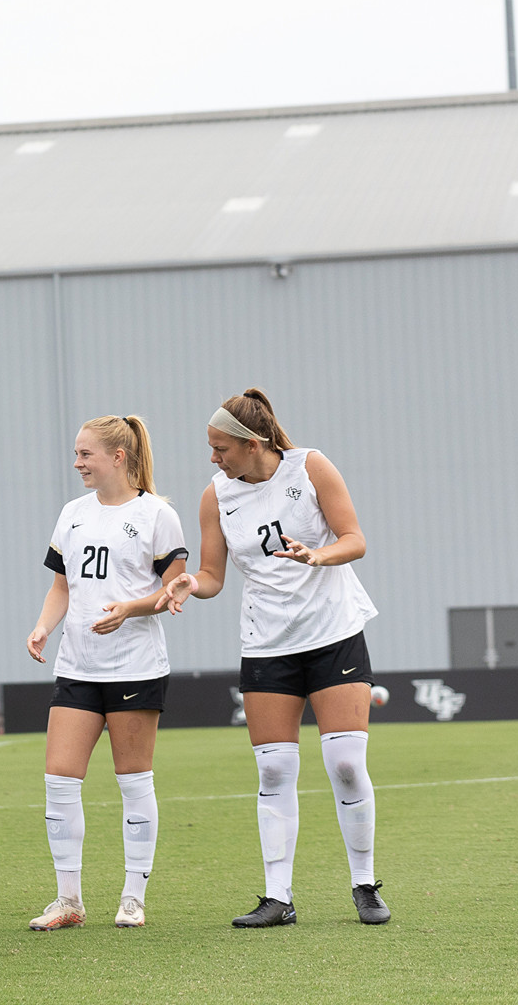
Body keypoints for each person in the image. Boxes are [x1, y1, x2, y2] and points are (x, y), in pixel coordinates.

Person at [159, 388, 389, 927]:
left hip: (334, 634)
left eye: (221, 448)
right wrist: (191, 583)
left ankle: (364, 885)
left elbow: (354, 539)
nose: (213, 458)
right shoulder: (215, 496)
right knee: (276, 767)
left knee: (347, 765)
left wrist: (318, 554)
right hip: (267, 644)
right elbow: (214, 575)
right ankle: (277, 897)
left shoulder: (310, 466)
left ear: (252, 443)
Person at [23, 418, 188, 932]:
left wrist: (131, 609)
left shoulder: (158, 515)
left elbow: (173, 591)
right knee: (58, 780)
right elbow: (61, 587)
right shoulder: (72, 514)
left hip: (135, 666)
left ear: (118, 455)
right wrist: (43, 627)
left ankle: (133, 897)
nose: (77, 463)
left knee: (134, 781)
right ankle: (68, 900)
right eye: (76, 453)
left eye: (85, 454)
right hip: (77, 666)